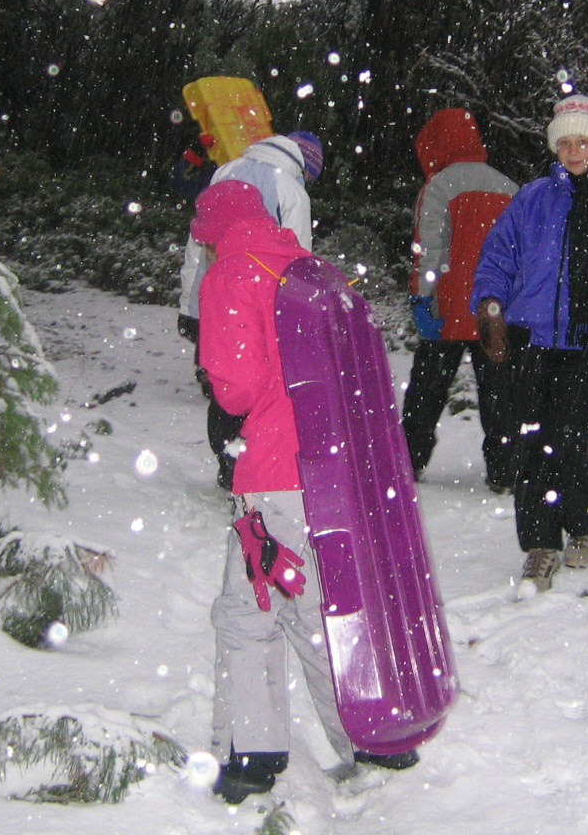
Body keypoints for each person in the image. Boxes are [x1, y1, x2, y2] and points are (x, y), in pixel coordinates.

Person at [192, 180, 417, 803]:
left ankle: (254, 755)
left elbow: (237, 388)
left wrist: (221, 379)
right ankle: (374, 735)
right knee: (318, 604)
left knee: (256, 609)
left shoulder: (232, 273)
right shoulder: (316, 271)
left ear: (212, 235)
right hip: (342, 464)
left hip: (278, 468)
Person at [471, 94, 588, 593]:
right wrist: (490, 306)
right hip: (530, 341)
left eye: (583, 142)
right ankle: (540, 545)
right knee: (531, 442)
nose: (574, 151)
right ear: (555, 147)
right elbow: (497, 258)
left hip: (587, 345)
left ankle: (582, 522)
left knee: (571, 440)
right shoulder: (531, 200)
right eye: (565, 143)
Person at [178, 130, 324, 489]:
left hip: (215, 296)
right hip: (261, 304)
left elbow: (196, 246)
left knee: (227, 382)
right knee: (258, 386)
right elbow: (298, 261)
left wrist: (189, 306)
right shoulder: (292, 191)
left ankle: (229, 461)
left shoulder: (226, 170)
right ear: (304, 167)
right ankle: (247, 466)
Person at [400, 108, 518, 487]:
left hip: (446, 308)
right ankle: (505, 470)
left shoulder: (439, 186)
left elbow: (429, 250)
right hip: (494, 310)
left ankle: (408, 461)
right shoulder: (509, 187)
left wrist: (421, 299)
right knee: (500, 393)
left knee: (427, 391)